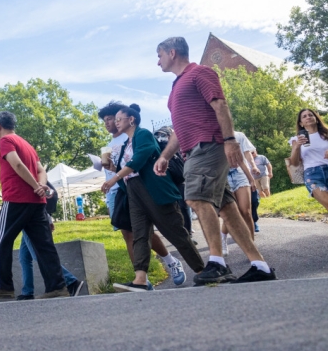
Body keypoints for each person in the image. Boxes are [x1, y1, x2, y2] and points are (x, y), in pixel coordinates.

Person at [155, 36, 276, 284]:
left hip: (208, 145)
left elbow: (220, 105)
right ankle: (260, 265)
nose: (158, 62)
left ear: (172, 52)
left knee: (196, 198)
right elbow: (179, 128)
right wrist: (166, 155)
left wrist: (230, 140)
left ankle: (217, 263)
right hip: (193, 150)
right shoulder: (176, 87)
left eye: (159, 56)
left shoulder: (200, 73)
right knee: (227, 209)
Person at [100, 104, 204, 292]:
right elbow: (128, 172)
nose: (115, 122)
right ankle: (140, 279)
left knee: (176, 232)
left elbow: (139, 159)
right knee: (139, 234)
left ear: (131, 119)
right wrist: (113, 171)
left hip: (153, 190)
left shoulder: (143, 134)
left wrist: (115, 178)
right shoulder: (124, 145)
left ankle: (201, 269)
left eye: (118, 119)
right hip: (133, 193)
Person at [0, 112, 68, 299]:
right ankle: (57, 287)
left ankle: (3, 285)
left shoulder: (6, 141)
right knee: (44, 245)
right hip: (37, 202)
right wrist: (42, 186)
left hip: (16, 198)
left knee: (0, 239)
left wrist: (36, 186)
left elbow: (17, 165)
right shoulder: (27, 145)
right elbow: (41, 170)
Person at [17, 186, 85, 300]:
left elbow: (36, 197)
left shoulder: (24, 172)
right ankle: (27, 292)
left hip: (29, 218)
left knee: (39, 255)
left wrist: (47, 218)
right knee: (24, 257)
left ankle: (71, 281)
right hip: (28, 217)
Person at [221, 130, 258, 255]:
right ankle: (223, 238)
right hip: (223, 177)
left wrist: (251, 179)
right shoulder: (211, 137)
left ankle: (252, 246)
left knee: (246, 211)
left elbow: (242, 159)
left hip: (240, 173)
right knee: (232, 213)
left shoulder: (236, 137)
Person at [290, 108, 328, 213]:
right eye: (304, 116)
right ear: (301, 123)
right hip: (313, 174)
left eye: (310, 115)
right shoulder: (295, 140)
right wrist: (297, 146)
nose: (308, 117)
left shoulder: (326, 134)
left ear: (316, 118)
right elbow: (294, 163)